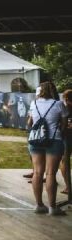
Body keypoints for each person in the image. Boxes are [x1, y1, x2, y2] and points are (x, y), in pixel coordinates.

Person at [27, 81, 68, 215]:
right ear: (54, 91)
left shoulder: (34, 103)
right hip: (54, 140)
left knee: (37, 172)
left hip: (35, 140)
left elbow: (29, 123)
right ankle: (52, 207)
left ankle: (39, 205)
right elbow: (63, 125)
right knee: (50, 173)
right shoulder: (58, 104)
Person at [61, 89, 72, 196]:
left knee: (64, 163)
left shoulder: (65, 109)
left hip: (67, 138)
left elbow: (63, 125)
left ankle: (69, 187)